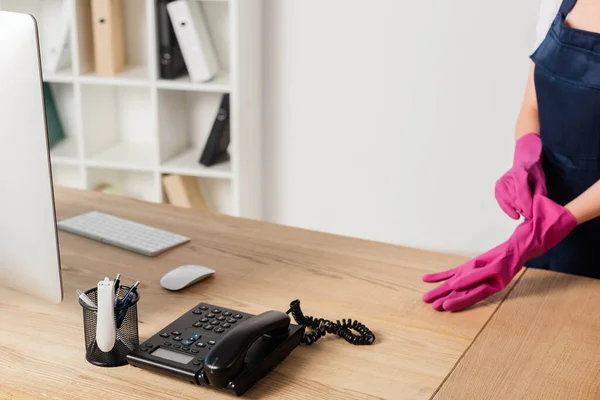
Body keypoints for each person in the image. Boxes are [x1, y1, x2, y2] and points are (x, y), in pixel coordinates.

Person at [422, 0, 600, 312]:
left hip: (563, 224)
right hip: (548, 230)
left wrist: (556, 224)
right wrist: (525, 158)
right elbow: (533, 105)